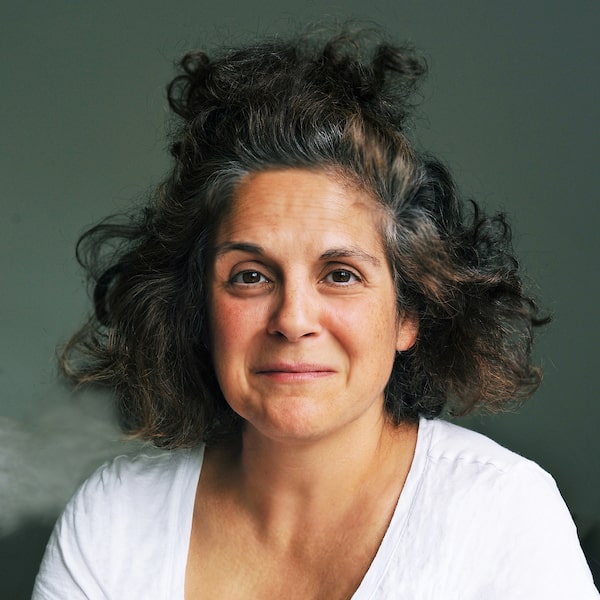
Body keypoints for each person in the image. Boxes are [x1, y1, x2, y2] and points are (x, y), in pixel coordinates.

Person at [33, 29, 598, 598]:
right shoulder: (112, 521)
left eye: (341, 275)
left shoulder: (506, 516)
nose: (293, 319)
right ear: (198, 309)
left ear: (408, 314)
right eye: (251, 276)